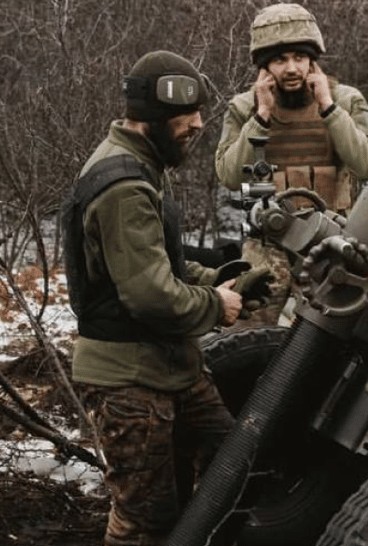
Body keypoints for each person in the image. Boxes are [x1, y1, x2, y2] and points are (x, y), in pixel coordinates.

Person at [62, 50, 252, 546]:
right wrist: (214, 306)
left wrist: (220, 280)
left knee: (229, 461)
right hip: (129, 381)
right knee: (145, 521)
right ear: (149, 118)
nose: (197, 124)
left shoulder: (142, 166)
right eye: (184, 115)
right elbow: (149, 294)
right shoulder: (123, 183)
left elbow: (157, 263)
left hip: (169, 368)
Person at [215, 2, 368, 325]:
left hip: (330, 239)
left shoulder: (346, 100)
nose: (291, 68)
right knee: (246, 335)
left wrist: (329, 108)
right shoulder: (243, 108)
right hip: (266, 243)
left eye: (299, 58)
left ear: (312, 61)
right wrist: (261, 117)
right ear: (264, 67)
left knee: (338, 333)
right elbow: (229, 176)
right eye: (279, 59)